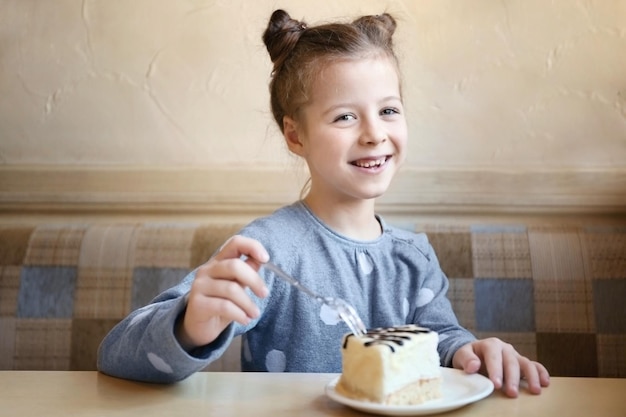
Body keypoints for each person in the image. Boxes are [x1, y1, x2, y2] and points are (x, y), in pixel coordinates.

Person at [97, 9, 550, 398]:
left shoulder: (413, 258)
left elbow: (441, 341)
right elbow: (116, 353)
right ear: (296, 135)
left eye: (389, 110)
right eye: (346, 116)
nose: (374, 132)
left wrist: (469, 352)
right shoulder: (267, 252)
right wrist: (190, 326)